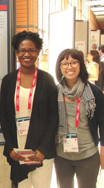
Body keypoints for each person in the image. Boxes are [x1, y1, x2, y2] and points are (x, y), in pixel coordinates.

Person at [0, 31, 58, 188]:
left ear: (38, 52)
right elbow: (3, 117)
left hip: (41, 150)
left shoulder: (47, 80)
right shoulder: (8, 81)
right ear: (17, 53)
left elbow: (54, 118)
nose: (27, 54)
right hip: (19, 149)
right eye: (22, 50)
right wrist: (10, 147)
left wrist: (43, 149)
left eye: (31, 50)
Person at [54, 48, 104, 188]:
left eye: (74, 62)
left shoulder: (95, 93)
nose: (69, 67)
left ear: (81, 64)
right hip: (62, 156)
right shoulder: (55, 92)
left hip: (88, 155)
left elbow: (102, 123)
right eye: (64, 63)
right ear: (60, 67)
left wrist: (103, 152)